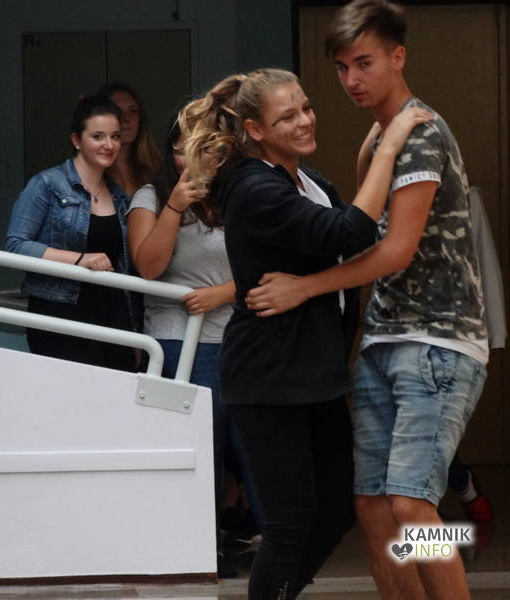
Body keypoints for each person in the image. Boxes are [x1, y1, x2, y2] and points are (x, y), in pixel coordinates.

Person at [244, 2, 489, 598]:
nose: (351, 79)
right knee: (374, 508)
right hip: (383, 339)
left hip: (436, 339)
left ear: (397, 57)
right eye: (341, 67)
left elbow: (395, 251)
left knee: (411, 506)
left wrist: (304, 287)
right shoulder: (380, 134)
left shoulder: (419, 131)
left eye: (365, 63)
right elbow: (360, 231)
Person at [179, 68, 429, 598]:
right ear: (255, 130)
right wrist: (388, 148)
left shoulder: (304, 179)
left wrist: (308, 286)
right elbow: (349, 232)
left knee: (337, 506)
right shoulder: (254, 186)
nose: (304, 121)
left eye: (306, 108)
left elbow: (354, 231)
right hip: (270, 374)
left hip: (313, 372)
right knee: (289, 524)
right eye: (287, 116)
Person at [126, 116, 262, 576]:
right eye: (182, 149)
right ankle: (204, 547)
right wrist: (175, 206)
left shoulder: (240, 193)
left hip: (243, 334)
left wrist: (224, 293)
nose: (192, 159)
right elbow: (147, 266)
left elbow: (270, 263)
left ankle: (274, 544)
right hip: (180, 340)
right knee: (203, 445)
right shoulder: (151, 196)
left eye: (204, 148)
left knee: (255, 444)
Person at [5, 95, 135, 371]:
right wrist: (78, 259)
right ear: (77, 140)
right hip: (59, 313)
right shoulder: (46, 184)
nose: (109, 144)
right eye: (97, 136)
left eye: (115, 136)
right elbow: (16, 245)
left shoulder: (120, 196)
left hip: (112, 315)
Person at [96, 82, 161, 198]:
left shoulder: (156, 169)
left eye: (133, 111)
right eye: (117, 111)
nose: (126, 119)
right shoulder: (94, 173)